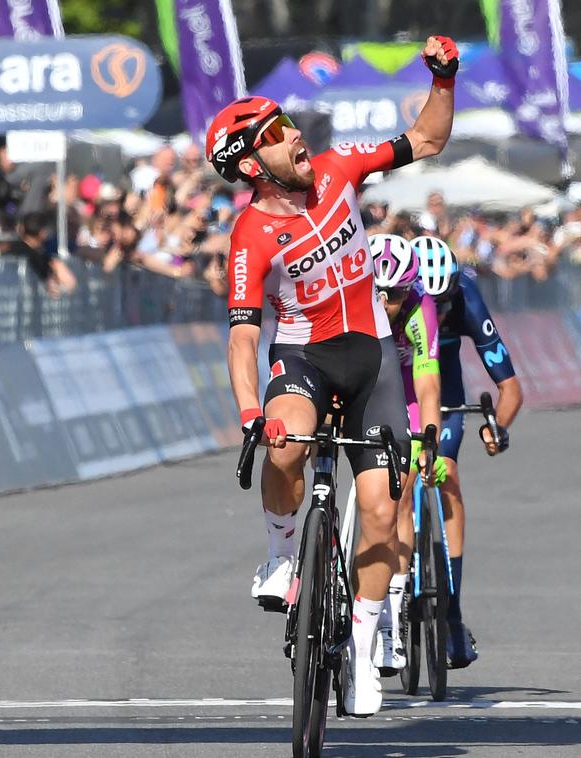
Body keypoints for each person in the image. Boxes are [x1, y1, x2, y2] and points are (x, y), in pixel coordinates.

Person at [212, 33, 458, 717]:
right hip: (305, 360)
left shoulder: (339, 168)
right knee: (285, 441)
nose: (292, 134)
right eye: (273, 133)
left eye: (286, 123)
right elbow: (242, 336)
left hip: (372, 357)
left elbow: (427, 141)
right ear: (251, 165)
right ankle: (281, 553)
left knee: (382, 510)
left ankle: (365, 646)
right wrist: (246, 413)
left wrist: (444, 78)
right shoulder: (251, 235)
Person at [415, 235, 522, 669]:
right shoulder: (387, 296)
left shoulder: (467, 299)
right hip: (399, 388)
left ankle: (452, 615)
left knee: (446, 473)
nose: (437, 314)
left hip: (445, 395)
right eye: (429, 303)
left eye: (445, 303)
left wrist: (498, 427)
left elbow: (510, 388)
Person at [367, 233, 445, 676]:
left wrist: (428, 440)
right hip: (367, 382)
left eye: (394, 294)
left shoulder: (420, 308)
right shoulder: (359, 298)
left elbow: (428, 380)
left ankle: (390, 619)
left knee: (399, 496)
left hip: (406, 390)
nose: (385, 301)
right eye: (378, 291)